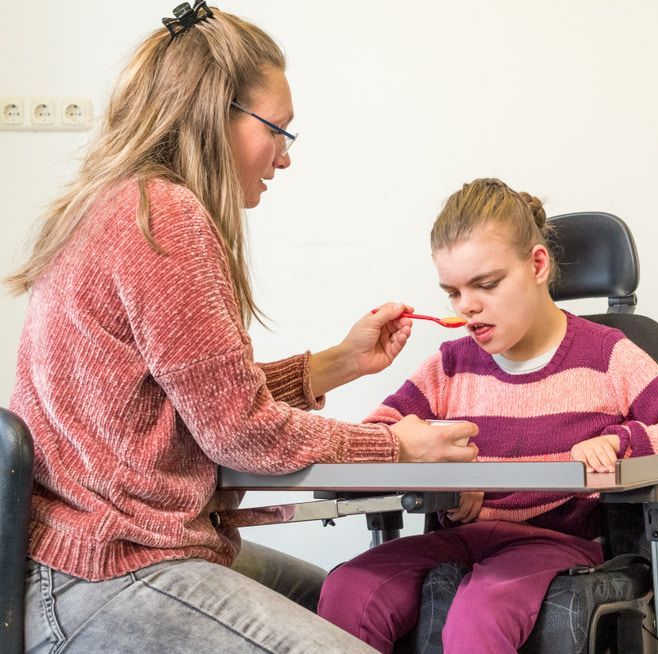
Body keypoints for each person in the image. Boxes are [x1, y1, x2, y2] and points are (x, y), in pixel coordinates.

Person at [5, 4, 477, 652]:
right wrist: (399, 450)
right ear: (213, 115)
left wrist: (335, 364)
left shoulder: (123, 202)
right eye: (276, 129)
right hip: (106, 571)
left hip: (81, 561)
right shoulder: (163, 219)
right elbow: (239, 432)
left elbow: (188, 399)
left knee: (354, 606)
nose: (283, 156)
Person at [316, 178, 658, 653]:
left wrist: (622, 442)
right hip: (463, 537)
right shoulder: (451, 365)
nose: (467, 306)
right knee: (349, 589)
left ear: (537, 264)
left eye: (486, 284)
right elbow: (377, 440)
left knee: (480, 615)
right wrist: (442, 475)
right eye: (452, 292)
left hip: (555, 542)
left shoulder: (608, 355)